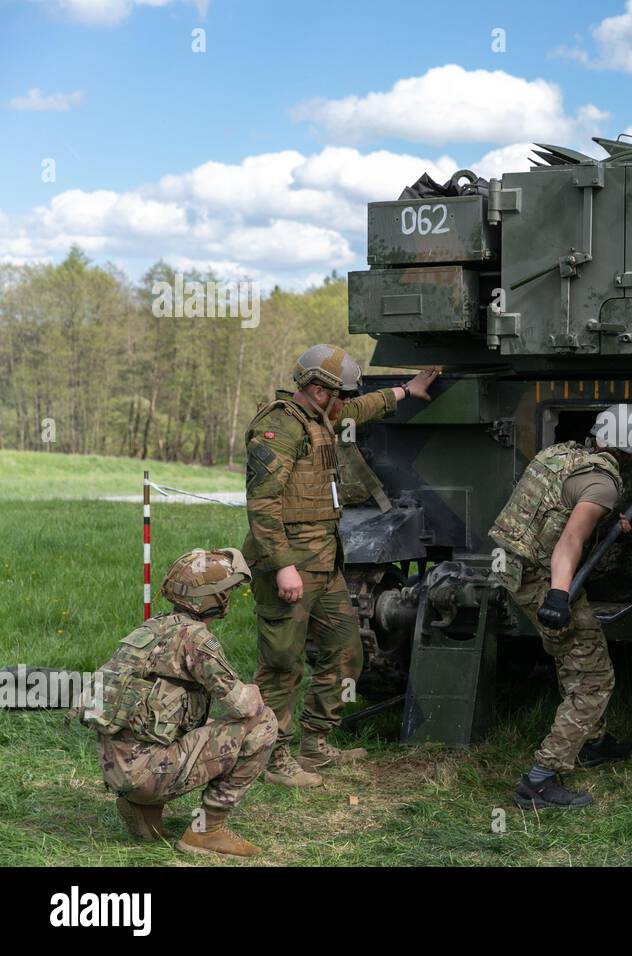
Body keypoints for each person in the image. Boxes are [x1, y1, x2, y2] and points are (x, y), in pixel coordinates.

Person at [244, 344, 436, 786]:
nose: (346, 403)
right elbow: (262, 504)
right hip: (289, 565)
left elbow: (362, 408)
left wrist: (406, 391)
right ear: (317, 389)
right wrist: (281, 566)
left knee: (348, 652)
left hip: (325, 563)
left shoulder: (320, 417)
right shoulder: (279, 427)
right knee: (281, 665)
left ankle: (315, 744)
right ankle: (272, 759)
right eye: (341, 395)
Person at [489, 404, 632, 810]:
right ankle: (540, 779)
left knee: (573, 658)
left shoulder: (559, 454)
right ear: (630, 455)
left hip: (513, 565)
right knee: (594, 678)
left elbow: (551, 513)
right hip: (544, 577)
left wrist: (608, 524)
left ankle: (591, 742)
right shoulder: (604, 484)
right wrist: (559, 596)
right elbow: (570, 541)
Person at [78, 548, 274, 858]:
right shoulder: (197, 640)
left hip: (117, 766)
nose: (229, 598)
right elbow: (244, 707)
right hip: (146, 772)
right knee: (262, 723)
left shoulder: (151, 628)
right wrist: (251, 691)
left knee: (194, 724)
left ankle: (142, 807)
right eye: (225, 592)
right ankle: (206, 831)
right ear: (212, 599)